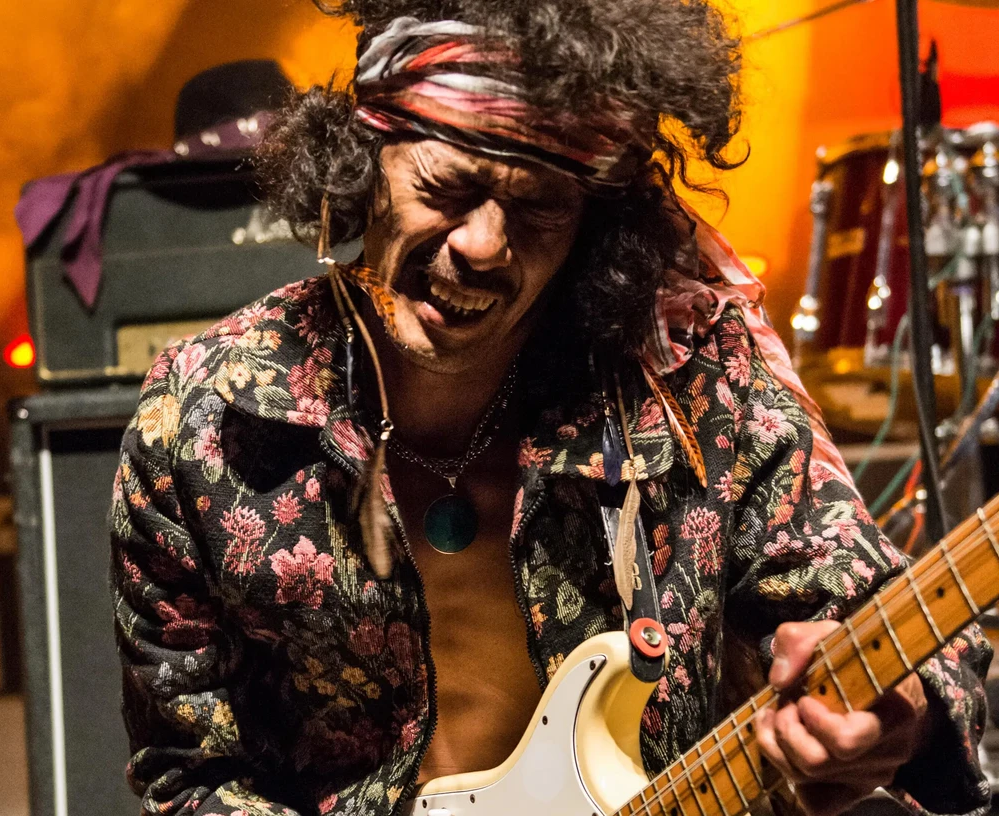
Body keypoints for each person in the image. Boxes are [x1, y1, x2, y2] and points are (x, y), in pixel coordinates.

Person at [109, 1, 993, 814]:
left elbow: (890, 617)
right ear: (358, 160)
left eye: (537, 210)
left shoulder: (692, 375)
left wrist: (899, 716)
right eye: (447, 187)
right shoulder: (202, 418)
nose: (483, 246)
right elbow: (189, 777)